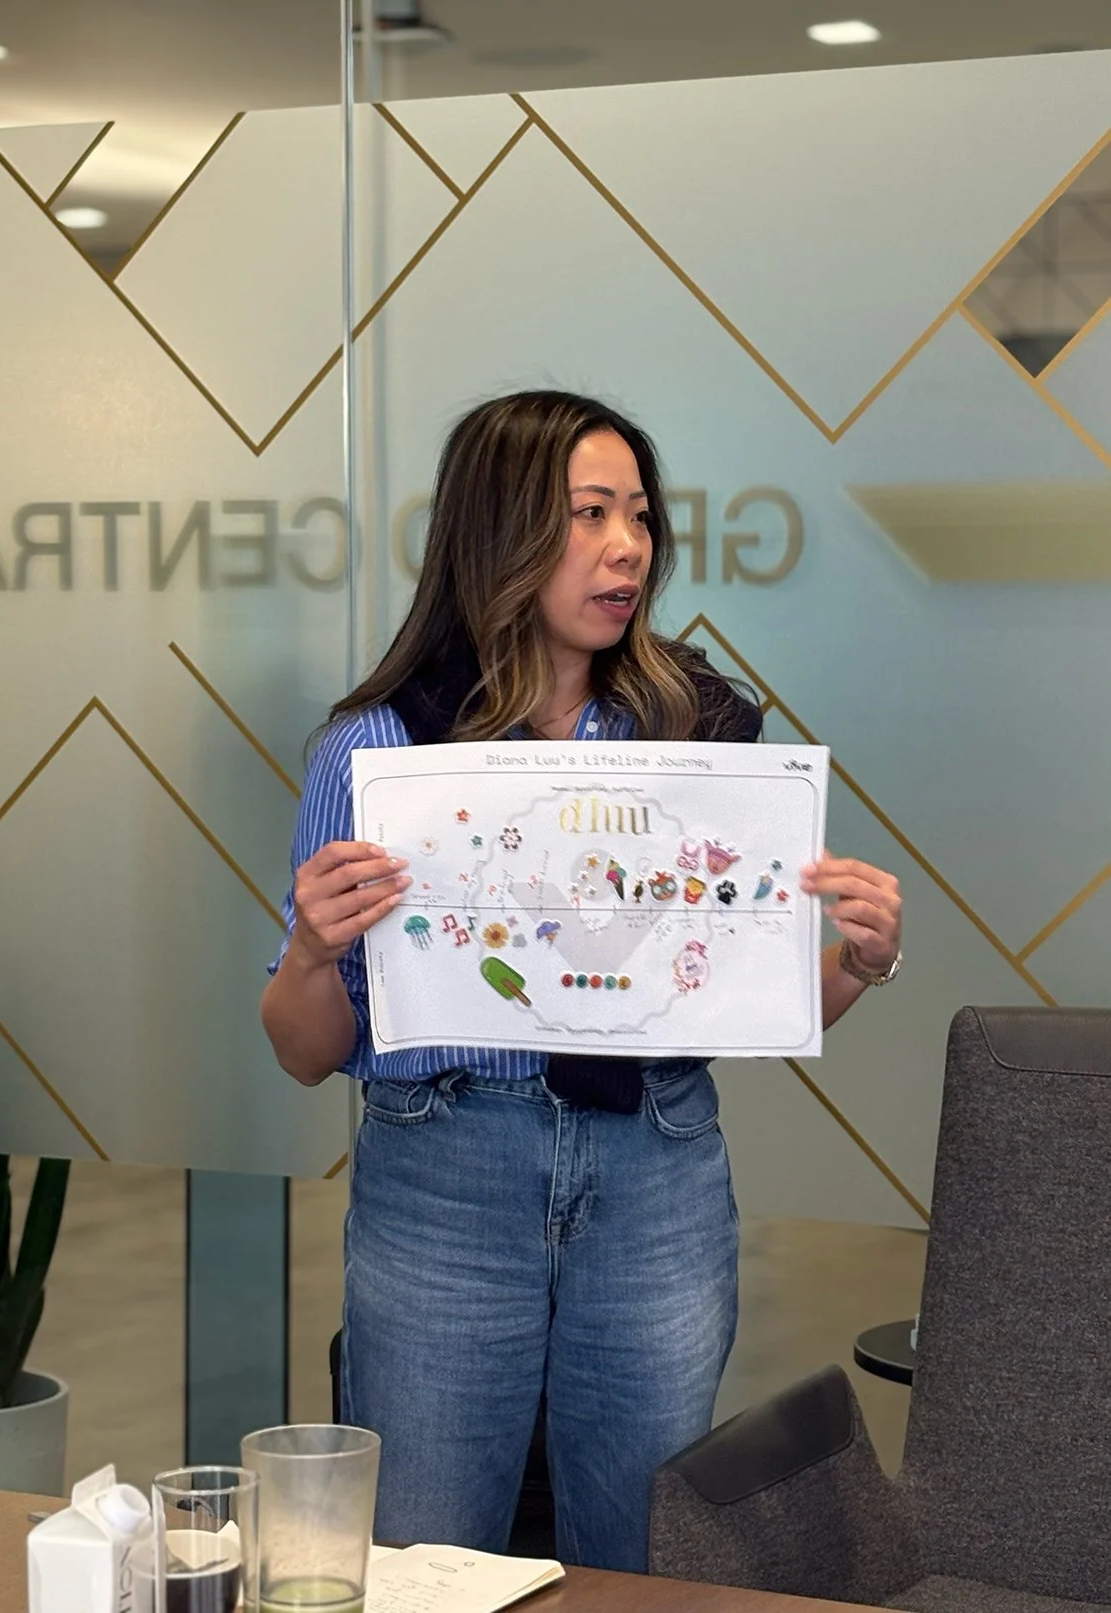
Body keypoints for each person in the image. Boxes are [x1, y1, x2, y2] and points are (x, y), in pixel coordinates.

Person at [261, 391, 902, 1574]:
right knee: (431, 1561)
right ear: (497, 532)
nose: (629, 547)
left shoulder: (694, 730)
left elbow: (744, 999)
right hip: (442, 1174)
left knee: (644, 1553)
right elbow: (302, 1047)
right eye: (589, 514)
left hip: (654, 1171)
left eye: (639, 516)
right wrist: (309, 951)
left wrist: (857, 961)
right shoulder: (379, 748)